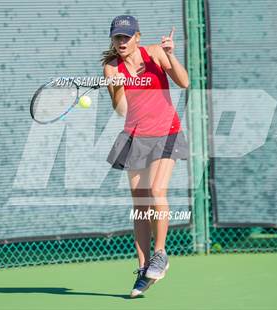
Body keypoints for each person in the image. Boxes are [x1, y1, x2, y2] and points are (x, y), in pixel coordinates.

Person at [101, 15, 190, 298]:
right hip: (136, 136)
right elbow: (121, 110)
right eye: (118, 38)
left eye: (127, 37)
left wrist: (170, 56)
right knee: (140, 204)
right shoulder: (111, 67)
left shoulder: (154, 53)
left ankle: (160, 254)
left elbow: (184, 82)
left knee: (156, 190)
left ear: (137, 37)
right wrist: (115, 87)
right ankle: (142, 268)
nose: (122, 42)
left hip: (166, 131)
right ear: (113, 40)